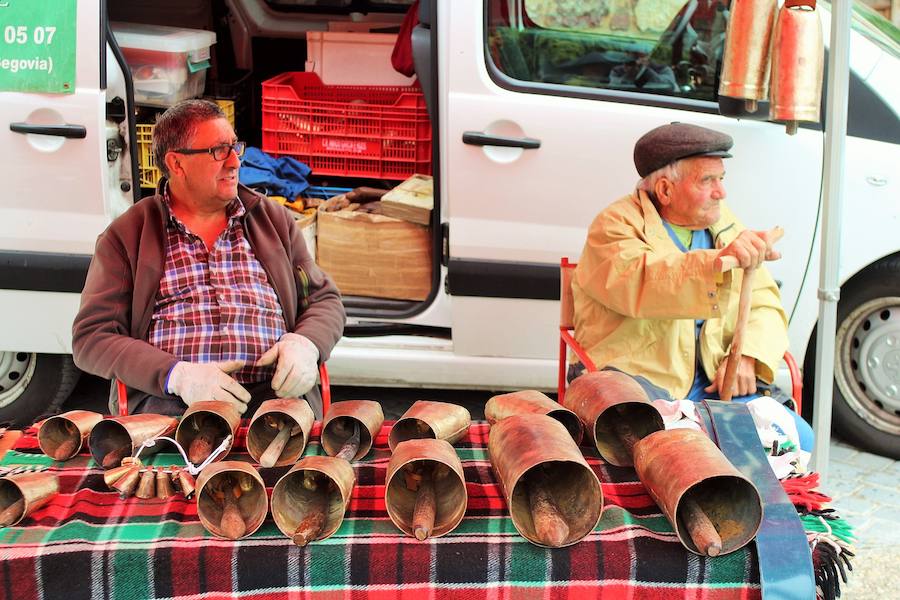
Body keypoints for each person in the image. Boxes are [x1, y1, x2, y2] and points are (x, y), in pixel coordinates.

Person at [72, 99, 345, 419]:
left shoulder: (272, 220)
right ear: (177, 164)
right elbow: (92, 337)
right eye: (218, 151)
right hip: (171, 405)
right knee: (173, 463)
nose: (234, 162)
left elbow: (323, 298)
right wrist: (178, 375)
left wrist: (306, 344)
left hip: (275, 399)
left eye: (235, 147)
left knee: (295, 459)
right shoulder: (127, 235)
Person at [571, 122, 813, 451]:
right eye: (707, 181)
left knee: (796, 438)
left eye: (721, 179)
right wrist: (718, 262)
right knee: (674, 454)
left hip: (716, 382)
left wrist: (747, 357)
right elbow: (642, 280)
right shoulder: (614, 225)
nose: (721, 192)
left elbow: (763, 301)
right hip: (645, 383)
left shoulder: (722, 222)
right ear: (666, 190)